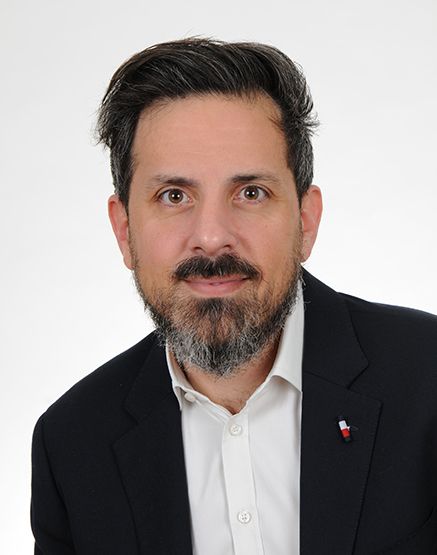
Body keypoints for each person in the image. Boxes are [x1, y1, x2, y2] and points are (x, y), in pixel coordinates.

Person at [31, 38, 437, 555]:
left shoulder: (428, 376)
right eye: (173, 196)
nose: (212, 237)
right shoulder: (71, 444)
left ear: (306, 221)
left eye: (250, 193)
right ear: (124, 230)